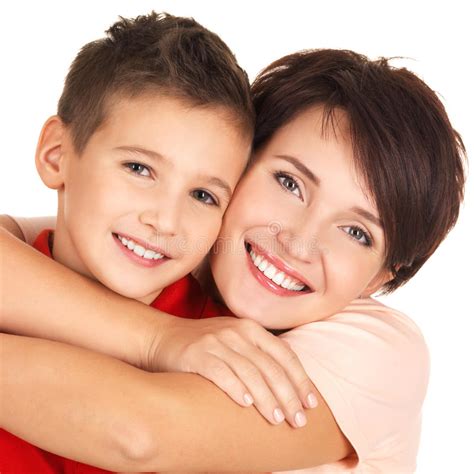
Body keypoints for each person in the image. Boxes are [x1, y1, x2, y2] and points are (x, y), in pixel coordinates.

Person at [1, 48, 466, 472]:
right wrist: (161, 337)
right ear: (237, 168)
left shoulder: (378, 349)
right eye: (289, 183)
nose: (299, 245)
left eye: (356, 232)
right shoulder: (169, 245)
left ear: (382, 275)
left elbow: (140, 433)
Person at [0, 11, 319, 474]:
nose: (166, 221)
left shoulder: (231, 345)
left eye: (204, 195)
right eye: (139, 168)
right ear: (57, 155)